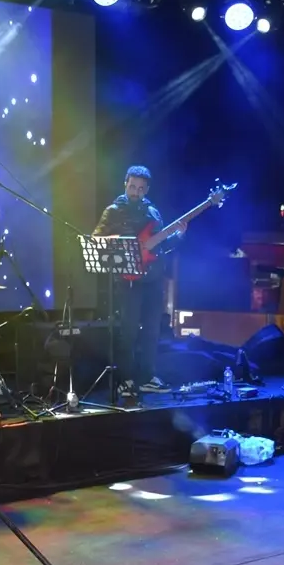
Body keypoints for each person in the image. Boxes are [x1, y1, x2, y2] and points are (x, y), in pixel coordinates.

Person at [94, 165, 185, 398]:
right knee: (128, 331)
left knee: (152, 331)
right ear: (125, 184)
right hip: (127, 280)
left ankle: (147, 377)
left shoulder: (153, 212)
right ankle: (125, 379)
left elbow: (162, 246)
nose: (136, 192)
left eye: (141, 188)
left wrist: (178, 236)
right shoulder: (113, 211)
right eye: (132, 187)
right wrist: (124, 241)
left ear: (147, 189)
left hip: (153, 279)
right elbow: (97, 240)